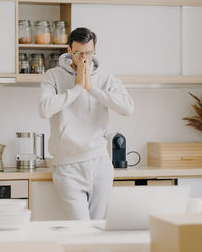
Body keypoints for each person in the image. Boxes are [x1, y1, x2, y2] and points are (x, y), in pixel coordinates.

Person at [38, 27, 134, 220]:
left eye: (88, 53)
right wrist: (78, 88)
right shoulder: (53, 76)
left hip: (99, 163)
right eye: (79, 53)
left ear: (95, 50)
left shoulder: (105, 78)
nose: (84, 58)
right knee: (81, 230)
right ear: (69, 51)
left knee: (99, 228)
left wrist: (92, 88)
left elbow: (127, 108)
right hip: (67, 167)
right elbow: (44, 109)